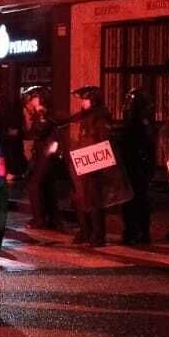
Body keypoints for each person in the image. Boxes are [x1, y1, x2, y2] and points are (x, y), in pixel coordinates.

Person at [62, 85, 113, 247]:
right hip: (83, 164)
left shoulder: (100, 117)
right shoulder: (86, 116)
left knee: (93, 199)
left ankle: (97, 234)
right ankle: (86, 231)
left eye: (86, 99)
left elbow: (103, 142)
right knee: (80, 198)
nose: (82, 103)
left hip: (93, 166)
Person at [118, 88, 157, 245]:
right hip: (134, 166)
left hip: (136, 166)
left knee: (136, 201)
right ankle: (136, 231)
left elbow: (146, 145)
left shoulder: (140, 123)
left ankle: (137, 232)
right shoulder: (139, 123)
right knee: (135, 201)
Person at [22, 87, 61, 230]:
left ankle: (39, 219)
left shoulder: (43, 114)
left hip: (45, 155)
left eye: (33, 98)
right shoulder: (44, 114)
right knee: (47, 187)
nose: (31, 102)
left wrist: (35, 115)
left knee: (35, 185)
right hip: (44, 154)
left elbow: (38, 132)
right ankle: (53, 219)